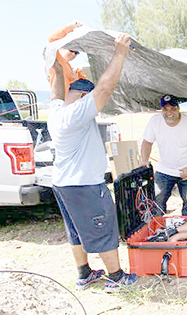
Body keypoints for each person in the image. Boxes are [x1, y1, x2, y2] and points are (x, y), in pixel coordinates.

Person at [47, 33, 138, 293]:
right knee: (102, 226)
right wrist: (120, 53)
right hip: (84, 184)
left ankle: (84, 274)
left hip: (64, 184)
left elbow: (56, 87)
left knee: (76, 229)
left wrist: (56, 60)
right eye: (87, 95)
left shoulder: (58, 111)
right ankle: (117, 277)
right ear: (82, 96)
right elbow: (105, 88)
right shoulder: (76, 114)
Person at [140, 95, 187, 216]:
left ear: (178, 108)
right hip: (164, 170)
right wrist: (144, 159)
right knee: (157, 202)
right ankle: (158, 231)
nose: (169, 113)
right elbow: (146, 142)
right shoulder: (155, 121)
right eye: (165, 109)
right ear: (161, 110)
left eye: (173, 109)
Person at [47, 21, 87, 96]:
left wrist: (77, 74)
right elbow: (52, 39)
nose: (73, 54)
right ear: (62, 48)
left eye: (76, 53)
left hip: (69, 103)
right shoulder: (57, 60)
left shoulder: (69, 67)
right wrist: (71, 27)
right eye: (71, 50)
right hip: (60, 101)